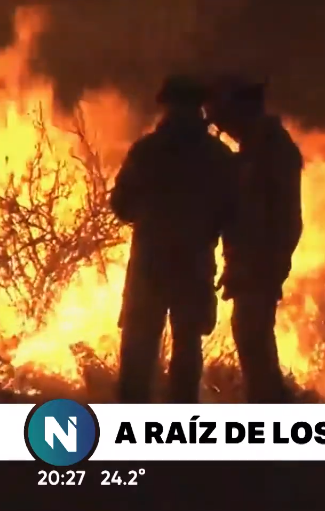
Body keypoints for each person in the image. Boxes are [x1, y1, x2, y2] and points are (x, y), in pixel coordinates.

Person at [111, 75, 236, 403]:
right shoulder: (218, 156)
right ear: (200, 110)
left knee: (139, 345)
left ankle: (129, 420)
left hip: (149, 263)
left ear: (166, 107)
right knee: (187, 345)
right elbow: (232, 213)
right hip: (194, 263)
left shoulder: (147, 151)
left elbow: (121, 206)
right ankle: (179, 426)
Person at [207, 76, 304, 403]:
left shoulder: (268, 153)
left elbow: (272, 217)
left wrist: (263, 263)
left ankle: (271, 410)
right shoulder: (260, 150)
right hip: (253, 262)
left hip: (258, 263)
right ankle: (271, 403)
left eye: (227, 122)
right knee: (252, 337)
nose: (226, 131)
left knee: (252, 338)